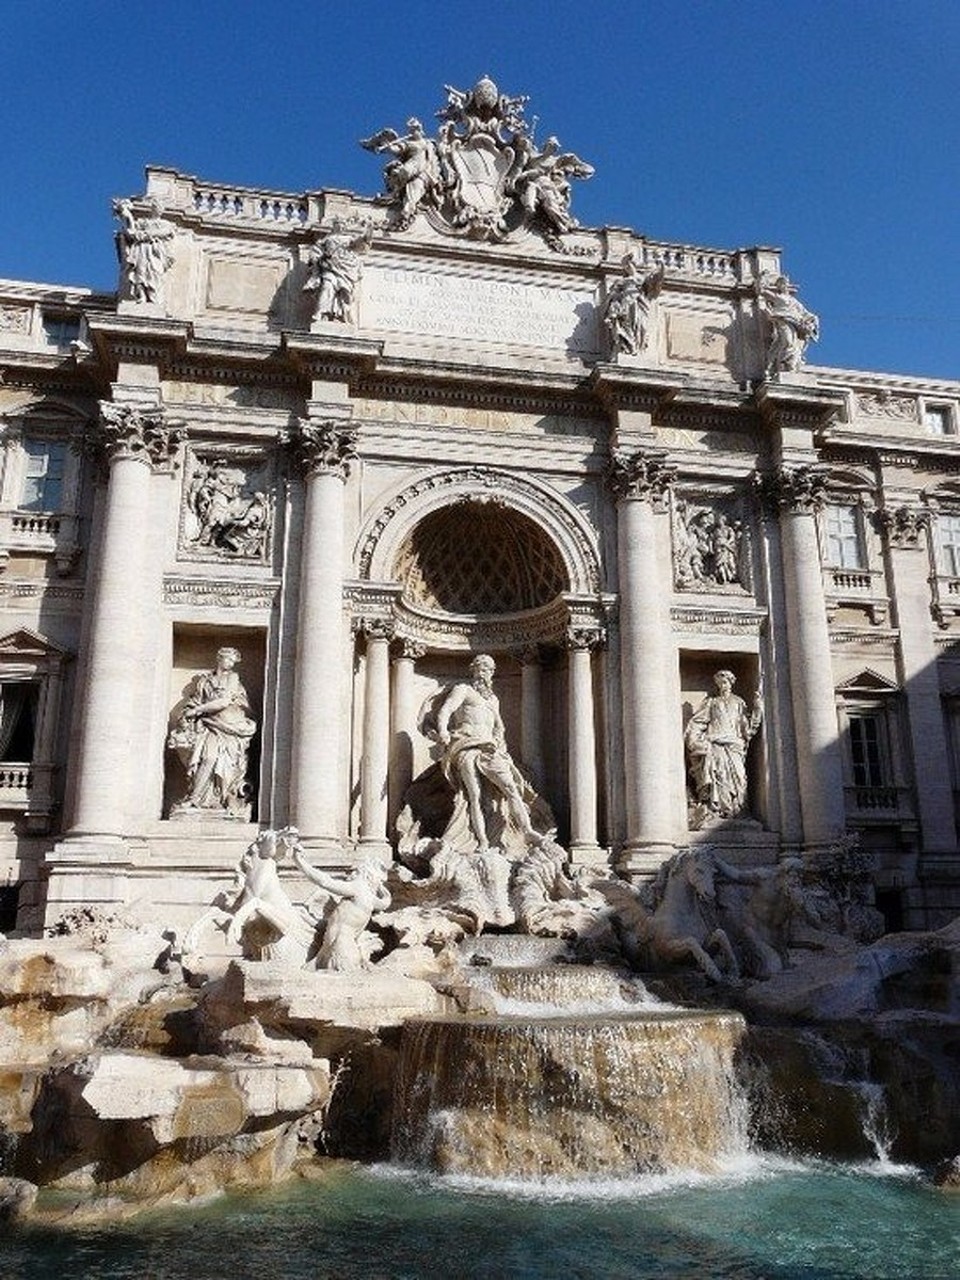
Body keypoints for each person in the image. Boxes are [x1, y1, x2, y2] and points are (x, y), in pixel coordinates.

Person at [433, 654, 539, 853]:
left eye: (489, 670)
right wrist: (443, 731)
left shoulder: (493, 700)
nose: (485, 673)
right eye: (481, 668)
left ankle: (527, 830)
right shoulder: (463, 690)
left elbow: (499, 726)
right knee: (475, 796)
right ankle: (482, 841)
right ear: (473, 670)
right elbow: (445, 711)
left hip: (490, 749)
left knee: (512, 789)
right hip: (466, 746)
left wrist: (500, 744)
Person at [169, 647, 256, 816]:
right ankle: (196, 798)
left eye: (232, 661)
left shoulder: (233, 678)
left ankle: (219, 799)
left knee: (220, 763)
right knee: (206, 759)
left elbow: (223, 702)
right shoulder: (205, 680)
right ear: (219, 659)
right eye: (228, 659)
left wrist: (197, 710)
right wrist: (187, 713)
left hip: (229, 727)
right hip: (208, 725)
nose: (230, 664)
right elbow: (194, 701)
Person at [293, 849, 390, 971]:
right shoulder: (365, 894)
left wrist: (300, 863)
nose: (379, 884)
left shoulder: (359, 889)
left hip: (340, 946)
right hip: (331, 947)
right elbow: (385, 903)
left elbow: (325, 881)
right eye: (380, 881)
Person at [684, 670, 762, 820]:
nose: (722, 686)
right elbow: (699, 722)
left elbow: (747, 728)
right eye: (719, 683)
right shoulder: (711, 702)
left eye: (725, 682)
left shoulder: (739, 702)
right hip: (716, 744)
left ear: (731, 683)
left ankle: (738, 808)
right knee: (719, 776)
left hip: (734, 745)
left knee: (739, 777)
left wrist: (757, 708)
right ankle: (718, 810)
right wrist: (694, 740)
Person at [303, 220, 372, 324]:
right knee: (327, 286)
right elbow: (314, 254)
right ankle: (321, 313)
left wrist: (368, 234)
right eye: (339, 223)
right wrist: (321, 259)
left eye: (343, 224)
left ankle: (339, 315)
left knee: (344, 293)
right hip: (330, 268)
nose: (341, 226)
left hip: (346, 270)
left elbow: (361, 244)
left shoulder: (349, 239)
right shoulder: (325, 240)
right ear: (334, 226)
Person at [756, 272, 819, 376]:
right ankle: (781, 364)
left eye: (785, 284)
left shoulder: (794, 301)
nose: (783, 286)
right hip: (783, 320)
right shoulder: (777, 297)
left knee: (795, 344)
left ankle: (790, 366)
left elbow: (805, 313)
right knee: (788, 341)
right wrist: (761, 278)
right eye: (781, 284)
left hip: (795, 322)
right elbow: (761, 291)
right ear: (779, 286)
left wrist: (813, 318)